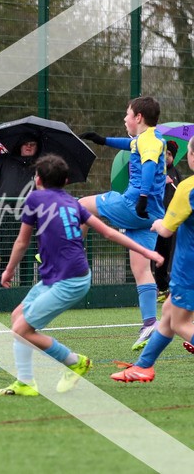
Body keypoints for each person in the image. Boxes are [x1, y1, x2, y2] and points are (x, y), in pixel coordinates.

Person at [0, 154, 162, 396]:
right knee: (17, 317)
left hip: (69, 281)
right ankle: (25, 381)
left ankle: (74, 362)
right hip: (59, 277)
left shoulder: (35, 198)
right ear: (66, 181)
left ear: (37, 179)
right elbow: (109, 233)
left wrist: (8, 270)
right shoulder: (73, 203)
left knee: (20, 329)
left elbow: (22, 241)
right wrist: (146, 251)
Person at [80, 96, 167, 351]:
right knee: (141, 268)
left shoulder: (148, 140)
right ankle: (149, 322)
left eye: (127, 114)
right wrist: (103, 140)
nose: (124, 118)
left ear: (138, 117)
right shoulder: (150, 138)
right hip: (151, 216)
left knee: (80, 206)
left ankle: (69, 253)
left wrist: (142, 197)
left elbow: (149, 166)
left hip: (134, 205)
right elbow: (130, 144)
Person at [111, 137, 194, 383]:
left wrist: (157, 223)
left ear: (192, 156)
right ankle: (143, 366)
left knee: (179, 323)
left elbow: (166, 230)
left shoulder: (188, 188)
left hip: (188, 270)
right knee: (168, 314)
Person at [0, 133, 41, 286]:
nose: (29, 147)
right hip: (8, 217)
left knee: (28, 256)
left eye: (32, 144)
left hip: (32, 218)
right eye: (26, 143)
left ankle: (26, 289)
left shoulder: (41, 167)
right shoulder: (6, 162)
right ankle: (3, 288)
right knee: (7, 255)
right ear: (20, 146)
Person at [154, 140, 181, 303]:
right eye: (164, 153)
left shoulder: (176, 173)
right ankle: (158, 287)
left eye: (169, 154)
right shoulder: (156, 170)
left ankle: (165, 288)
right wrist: (161, 182)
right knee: (156, 253)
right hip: (157, 219)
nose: (166, 156)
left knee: (168, 253)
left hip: (172, 221)